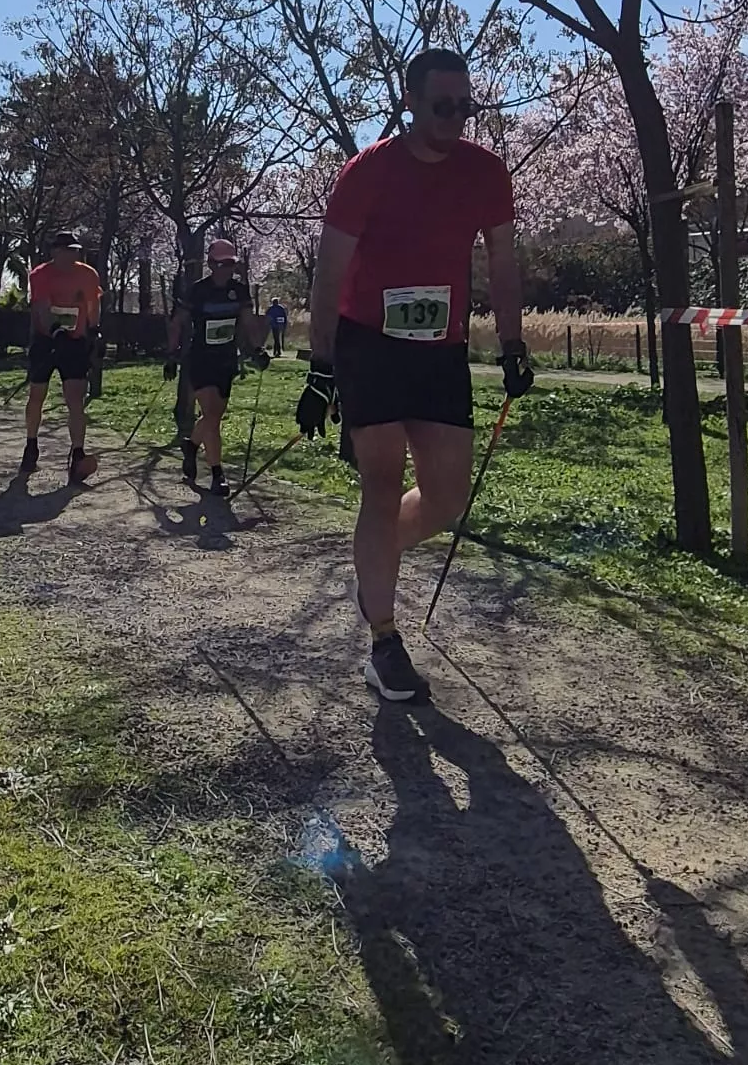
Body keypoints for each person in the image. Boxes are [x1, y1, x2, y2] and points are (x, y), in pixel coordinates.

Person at [298, 48, 534, 704]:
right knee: (382, 478)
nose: (456, 117)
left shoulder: (486, 173)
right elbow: (328, 276)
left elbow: (505, 262)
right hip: (368, 342)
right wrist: (321, 367)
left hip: (440, 348)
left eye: (466, 105)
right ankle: (384, 639)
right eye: (442, 105)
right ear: (410, 101)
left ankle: (373, 561)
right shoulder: (367, 172)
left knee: (446, 496)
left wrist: (512, 343)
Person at [166, 240, 269, 498]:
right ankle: (217, 474)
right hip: (200, 359)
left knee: (214, 416)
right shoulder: (198, 291)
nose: (226, 269)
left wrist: (258, 349)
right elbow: (178, 322)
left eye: (230, 264)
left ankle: (191, 446)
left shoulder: (239, 290)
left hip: (226, 360)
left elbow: (247, 322)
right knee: (211, 414)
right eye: (221, 264)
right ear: (211, 265)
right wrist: (171, 354)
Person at [22, 230, 103, 484]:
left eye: (75, 250)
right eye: (66, 250)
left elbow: (93, 306)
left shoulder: (88, 275)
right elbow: (42, 308)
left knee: (75, 398)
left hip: (76, 342)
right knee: (37, 394)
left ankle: (78, 453)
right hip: (46, 341)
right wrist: (55, 330)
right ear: (54, 252)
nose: (71, 255)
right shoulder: (40, 275)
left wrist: (94, 331)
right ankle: (31, 444)